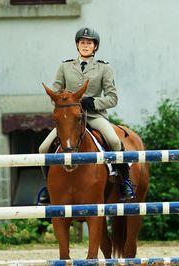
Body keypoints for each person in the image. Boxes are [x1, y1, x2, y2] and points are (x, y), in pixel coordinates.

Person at [38, 27, 135, 204]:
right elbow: (56, 93)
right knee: (43, 148)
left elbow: (113, 98)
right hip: (70, 119)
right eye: (82, 42)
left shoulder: (104, 68)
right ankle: (47, 187)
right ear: (77, 45)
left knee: (114, 141)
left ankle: (125, 182)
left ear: (95, 47)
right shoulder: (65, 66)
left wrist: (94, 102)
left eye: (89, 43)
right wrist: (65, 103)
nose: (85, 45)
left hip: (94, 116)